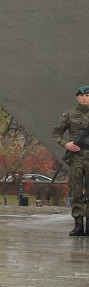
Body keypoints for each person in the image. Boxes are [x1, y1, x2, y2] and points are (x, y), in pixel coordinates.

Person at [53, 86, 89, 236]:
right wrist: (65, 144)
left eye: (87, 95)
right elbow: (56, 132)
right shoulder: (70, 114)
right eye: (82, 95)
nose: (85, 97)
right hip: (77, 158)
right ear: (77, 97)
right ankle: (78, 225)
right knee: (76, 190)